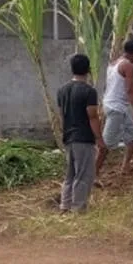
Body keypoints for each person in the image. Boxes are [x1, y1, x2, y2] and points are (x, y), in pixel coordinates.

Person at [58, 54, 104, 213]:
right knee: (84, 175)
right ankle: (78, 208)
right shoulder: (89, 91)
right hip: (83, 138)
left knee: (70, 174)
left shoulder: (62, 90)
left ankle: (65, 205)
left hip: (68, 137)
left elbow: (62, 116)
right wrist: (99, 138)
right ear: (88, 70)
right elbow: (92, 117)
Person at [98, 40, 133, 178]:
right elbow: (130, 90)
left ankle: (125, 168)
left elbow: (108, 86)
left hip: (114, 106)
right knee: (105, 145)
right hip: (115, 108)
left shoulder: (113, 63)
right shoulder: (128, 66)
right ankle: (93, 172)